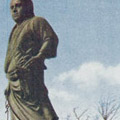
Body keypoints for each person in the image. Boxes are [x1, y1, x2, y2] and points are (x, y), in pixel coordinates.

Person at [4, 0, 59, 119]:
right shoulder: (15, 29)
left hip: (29, 78)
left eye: (18, 6)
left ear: (28, 6)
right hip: (14, 83)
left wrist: (39, 56)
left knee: (40, 112)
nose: (14, 10)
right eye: (12, 7)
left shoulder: (36, 22)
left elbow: (50, 39)